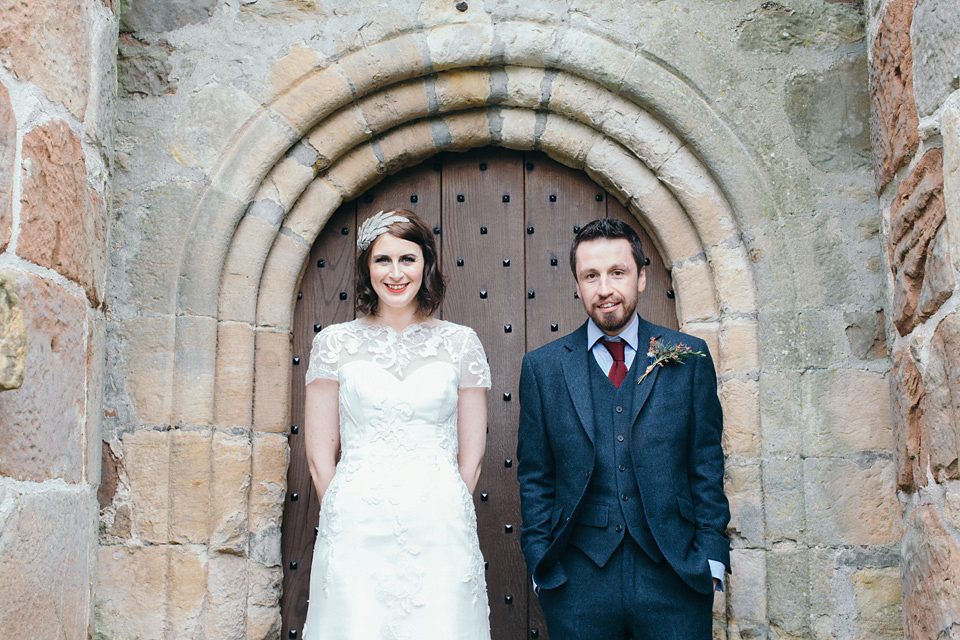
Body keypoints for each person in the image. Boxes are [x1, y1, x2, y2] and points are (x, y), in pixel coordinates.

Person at [516, 218, 730, 640]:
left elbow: (706, 463)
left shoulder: (688, 357)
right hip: (577, 581)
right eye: (590, 276)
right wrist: (541, 560)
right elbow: (535, 476)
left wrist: (712, 559)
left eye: (618, 272)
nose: (604, 288)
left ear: (642, 277)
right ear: (577, 285)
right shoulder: (543, 368)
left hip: (675, 572)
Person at [302, 209, 492, 640]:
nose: (395, 272)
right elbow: (318, 455)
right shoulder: (334, 343)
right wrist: (340, 516)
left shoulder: (460, 343)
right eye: (382, 260)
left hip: (439, 521)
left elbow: (473, 456)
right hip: (355, 521)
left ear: (426, 265)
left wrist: (449, 508)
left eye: (407, 259)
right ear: (366, 269)